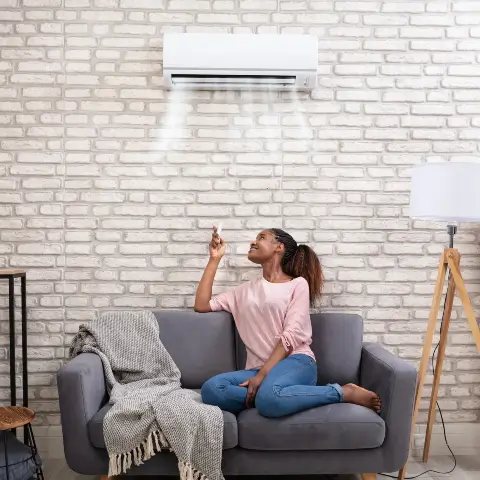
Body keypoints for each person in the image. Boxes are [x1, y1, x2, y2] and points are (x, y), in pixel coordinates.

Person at [194, 227, 381, 418]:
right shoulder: (243, 292)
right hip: (258, 369)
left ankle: (342, 392)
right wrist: (215, 258)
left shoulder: (297, 284)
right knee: (212, 389)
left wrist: (261, 377)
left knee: (268, 398)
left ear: (279, 247)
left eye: (262, 238)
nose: (253, 242)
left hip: (296, 362)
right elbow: (201, 305)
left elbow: (291, 336)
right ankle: (278, 397)